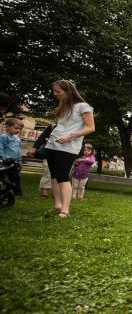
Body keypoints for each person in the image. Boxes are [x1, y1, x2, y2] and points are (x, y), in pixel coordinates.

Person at [32, 80, 95, 217]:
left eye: (58, 91)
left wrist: (70, 136)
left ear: (68, 91)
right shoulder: (62, 107)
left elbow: (91, 127)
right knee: (54, 176)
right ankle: (58, 205)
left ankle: (65, 210)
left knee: (62, 176)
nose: (55, 94)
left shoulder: (83, 106)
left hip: (69, 146)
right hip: (52, 145)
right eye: (54, 91)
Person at [0, 117, 24, 195]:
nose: (18, 130)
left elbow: (19, 151)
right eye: (16, 128)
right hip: (4, 161)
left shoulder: (17, 139)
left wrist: (20, 161)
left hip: (14, 162)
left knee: (15, 177)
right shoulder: (3, 137)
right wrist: (2, 157)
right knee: (1, 177)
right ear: (7, 126)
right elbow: (1, 147)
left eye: (20, 129)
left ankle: (17, 192)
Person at [32, 124, 55, 197]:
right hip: (49, 153)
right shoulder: (52, 126)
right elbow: (42, 137)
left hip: (65, 154)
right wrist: (35, 148)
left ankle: (56, 193)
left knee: (60, 175)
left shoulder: (74, 126)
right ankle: (45, 192)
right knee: (47, 172)